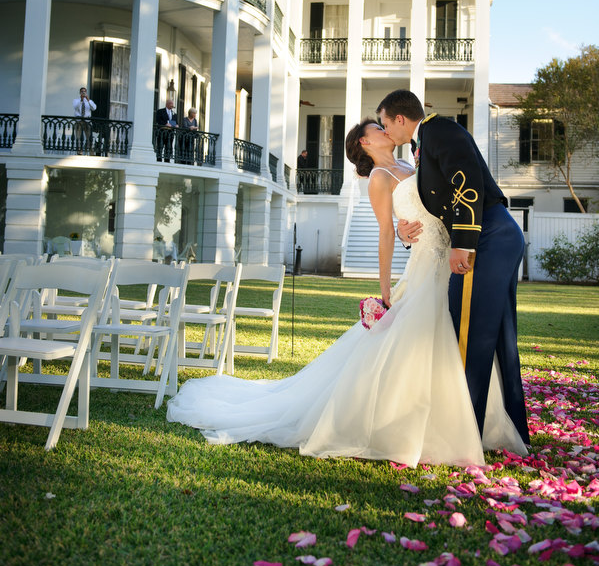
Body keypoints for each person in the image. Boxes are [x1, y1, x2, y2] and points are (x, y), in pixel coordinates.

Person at [166, 118, 527, 466]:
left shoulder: (410, 161)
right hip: (423, 266)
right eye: (378, 128)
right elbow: (386, 232)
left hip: (445, 257)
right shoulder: (379, 178)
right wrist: (386, 289)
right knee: (419, 339)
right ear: (365, 143)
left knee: (451, 338)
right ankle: (416, 425)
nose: (386, 130)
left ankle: (459, 416)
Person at [376, 89, 530, 447]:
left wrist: (464, 242)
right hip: (495, 234)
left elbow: (467, 183)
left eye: (386, 124)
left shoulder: (439, 130)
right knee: (499, 338)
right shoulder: (426, 141)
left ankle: (464, 433)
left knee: (468, 333)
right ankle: (508, 426)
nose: (386, 132)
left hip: (487, 235)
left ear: (401, 119)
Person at [72, 86, 96, 152]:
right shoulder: (76, 101)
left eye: (84, 91)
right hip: (79, 120)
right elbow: (76, 108)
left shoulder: (89, 101)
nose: (83, 93)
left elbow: (94, 108)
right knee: (78, 136)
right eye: (82, 91)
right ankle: (79, 150)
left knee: (89, 136)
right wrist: (81, 100)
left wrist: (88, 100)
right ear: (80, 93)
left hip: (87, 120)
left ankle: (90, 150)